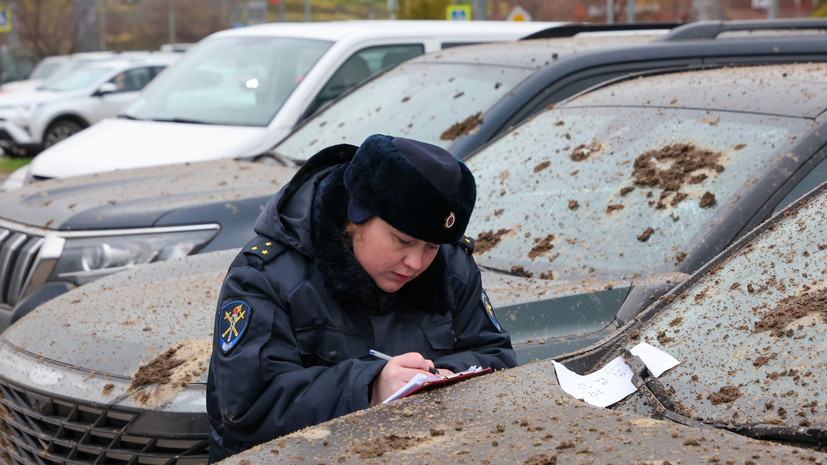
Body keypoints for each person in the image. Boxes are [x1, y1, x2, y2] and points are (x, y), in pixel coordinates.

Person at [206, 134, 517, 462]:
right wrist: (370, 389)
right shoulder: (267, 275)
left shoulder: (451, 267)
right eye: (403, 241)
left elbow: (496, 356)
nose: (416, 263)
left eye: (431, 246)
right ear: (356, 215)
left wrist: (441, 376)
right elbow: (248, 406)